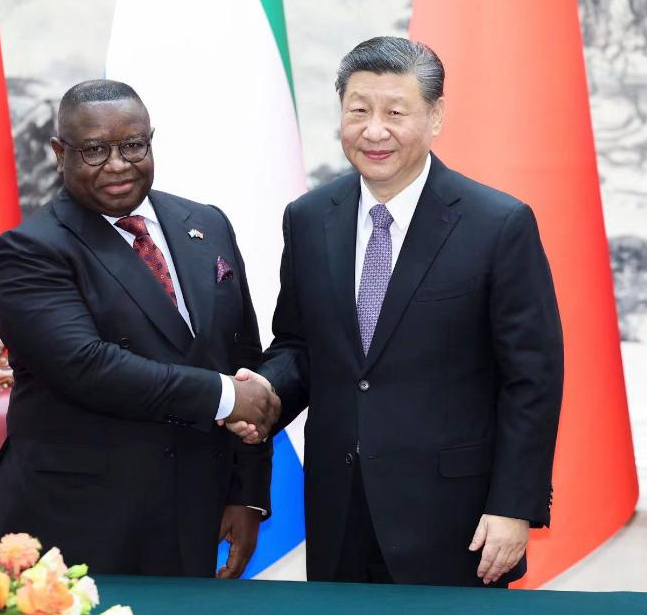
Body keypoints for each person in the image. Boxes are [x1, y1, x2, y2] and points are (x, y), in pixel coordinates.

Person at [238, 37, 563, 587]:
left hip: (456, 518)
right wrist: (265, 394)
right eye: (358, 110)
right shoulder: (309, 218)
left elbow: (532, 378)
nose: (374, 131)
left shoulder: (497, 224)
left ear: (435, 116)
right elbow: (300, 345)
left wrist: (513, 505)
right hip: (339, 508)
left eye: (395, 113)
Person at [0, 79, 280, 578]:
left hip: (196, 513)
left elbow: (243, 358)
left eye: (133, 145)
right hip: (79, 523)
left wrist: (246, 493)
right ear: (60, 153)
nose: (118, 164)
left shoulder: (207, 223)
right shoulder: (29, 250)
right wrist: (225, 396)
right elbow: (86, 367)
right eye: (94, 150)